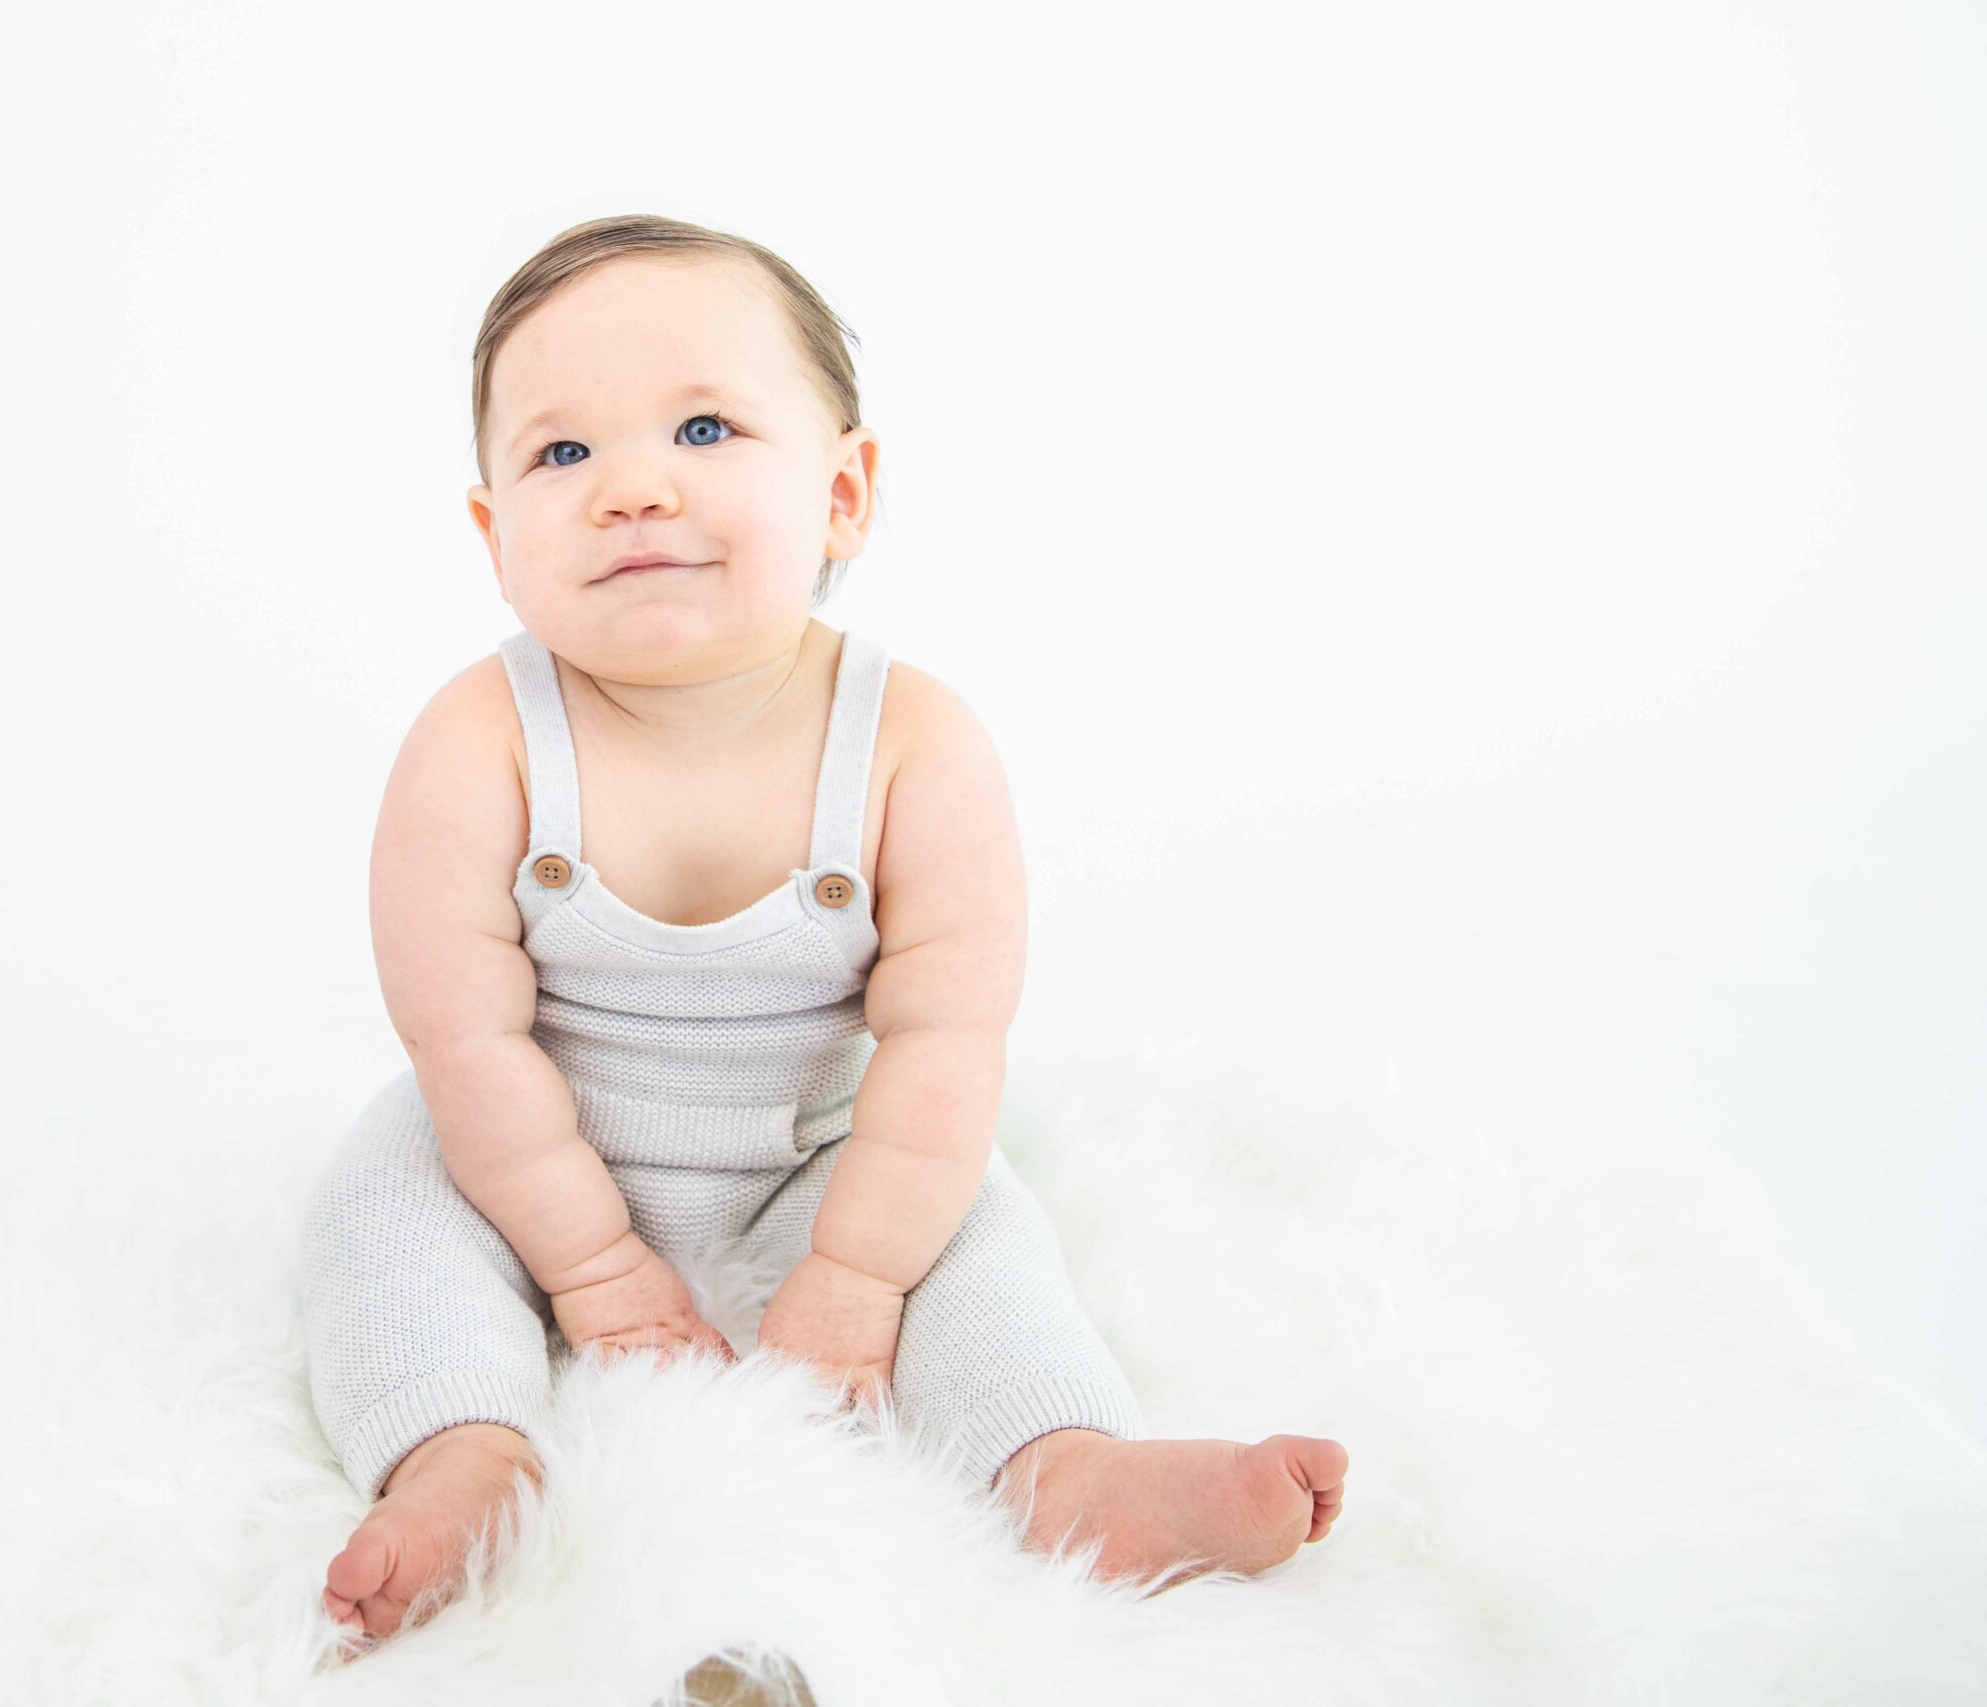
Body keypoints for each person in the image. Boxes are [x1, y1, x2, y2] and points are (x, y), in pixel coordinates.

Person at [297, 213, 1348, 1650]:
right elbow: (461, 1037)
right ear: (493, 536)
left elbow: (944, 1044)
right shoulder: (478, 740)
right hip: (518, 1158)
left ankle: (1066, 1464)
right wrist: (589, 1267)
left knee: (977, 1226)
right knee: (383, 1194)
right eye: (563, 452)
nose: (633, 489)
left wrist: (856, 1279)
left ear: (844, 492)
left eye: (706, 429)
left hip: (823, 1164)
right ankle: (460, 1452)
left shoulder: (914, 743)